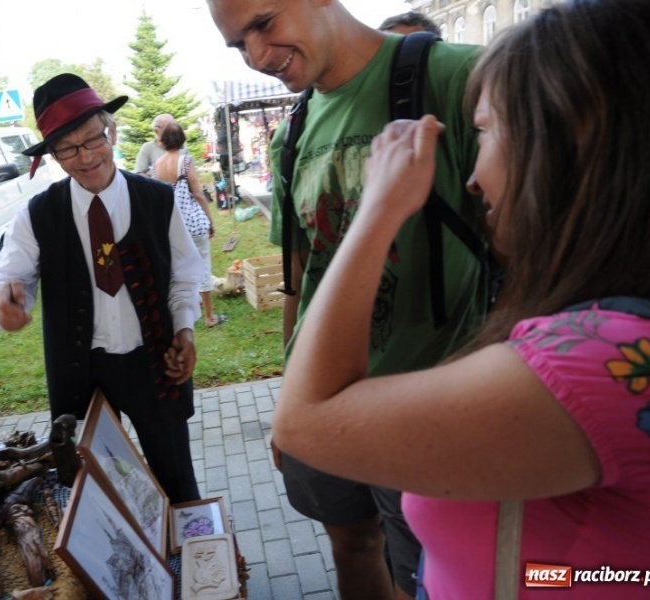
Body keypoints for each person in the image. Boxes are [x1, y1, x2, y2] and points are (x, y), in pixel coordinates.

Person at [274, 0, 650, 598]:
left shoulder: (595, 366)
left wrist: (379, 207)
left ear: (561, 146)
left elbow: (305, 421)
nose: (472, 175)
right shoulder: (622, 329)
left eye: (483, 132)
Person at [207, 1, 487, 598]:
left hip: (430, 409)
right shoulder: (292, 132)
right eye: (236, 45)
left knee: (427, 572)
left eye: (264, 24)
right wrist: (290, 399)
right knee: (351, 542)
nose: (255, 56)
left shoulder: (460, 78)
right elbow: (299, 277)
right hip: (325, 401)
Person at [0, 74, 205, 504]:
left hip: (155, 363)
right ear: (52, 155)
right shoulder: (38, 214)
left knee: (177, 481)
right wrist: (1, 300)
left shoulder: (158, 200)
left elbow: (185, 274)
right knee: (97, 494)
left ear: (111, 132)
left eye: (92, 140)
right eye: (67, 149)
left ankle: (193, 544)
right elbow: (6, 278)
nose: (84, 157)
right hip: (79, 374)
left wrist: (185, 328)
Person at [152, 122, 227, 328]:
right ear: (182, 139)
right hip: (192, 223)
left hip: (170, 225)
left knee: (178, 269)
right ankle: (210, 317)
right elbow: (198, 193)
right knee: (202, 266)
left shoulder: (157, 165)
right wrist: (209, 220)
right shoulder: (185, 161)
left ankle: (181, 314)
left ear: (163, 140)